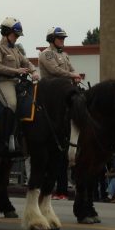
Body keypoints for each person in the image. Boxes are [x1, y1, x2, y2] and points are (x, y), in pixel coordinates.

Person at [38, 26, 80, 200]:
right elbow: (55, 71)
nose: (62, 40)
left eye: (63, 38)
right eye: (60, 38)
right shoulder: (47, 53)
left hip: (64, 88)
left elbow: (70, 68)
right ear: (51, 39)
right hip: (50, 91)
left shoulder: (65, 54)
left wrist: (74, 76)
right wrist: (72, 74)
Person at [0, 17, 39, 153]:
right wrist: (16, 71)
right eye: (15, 34)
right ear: (6, 32)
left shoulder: (15, 49)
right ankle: (7, 139)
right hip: (2, 82)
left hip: (16, 82)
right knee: (12, 104)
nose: (17, 37)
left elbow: (26, 62)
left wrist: (34, 71)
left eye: (18, 35)